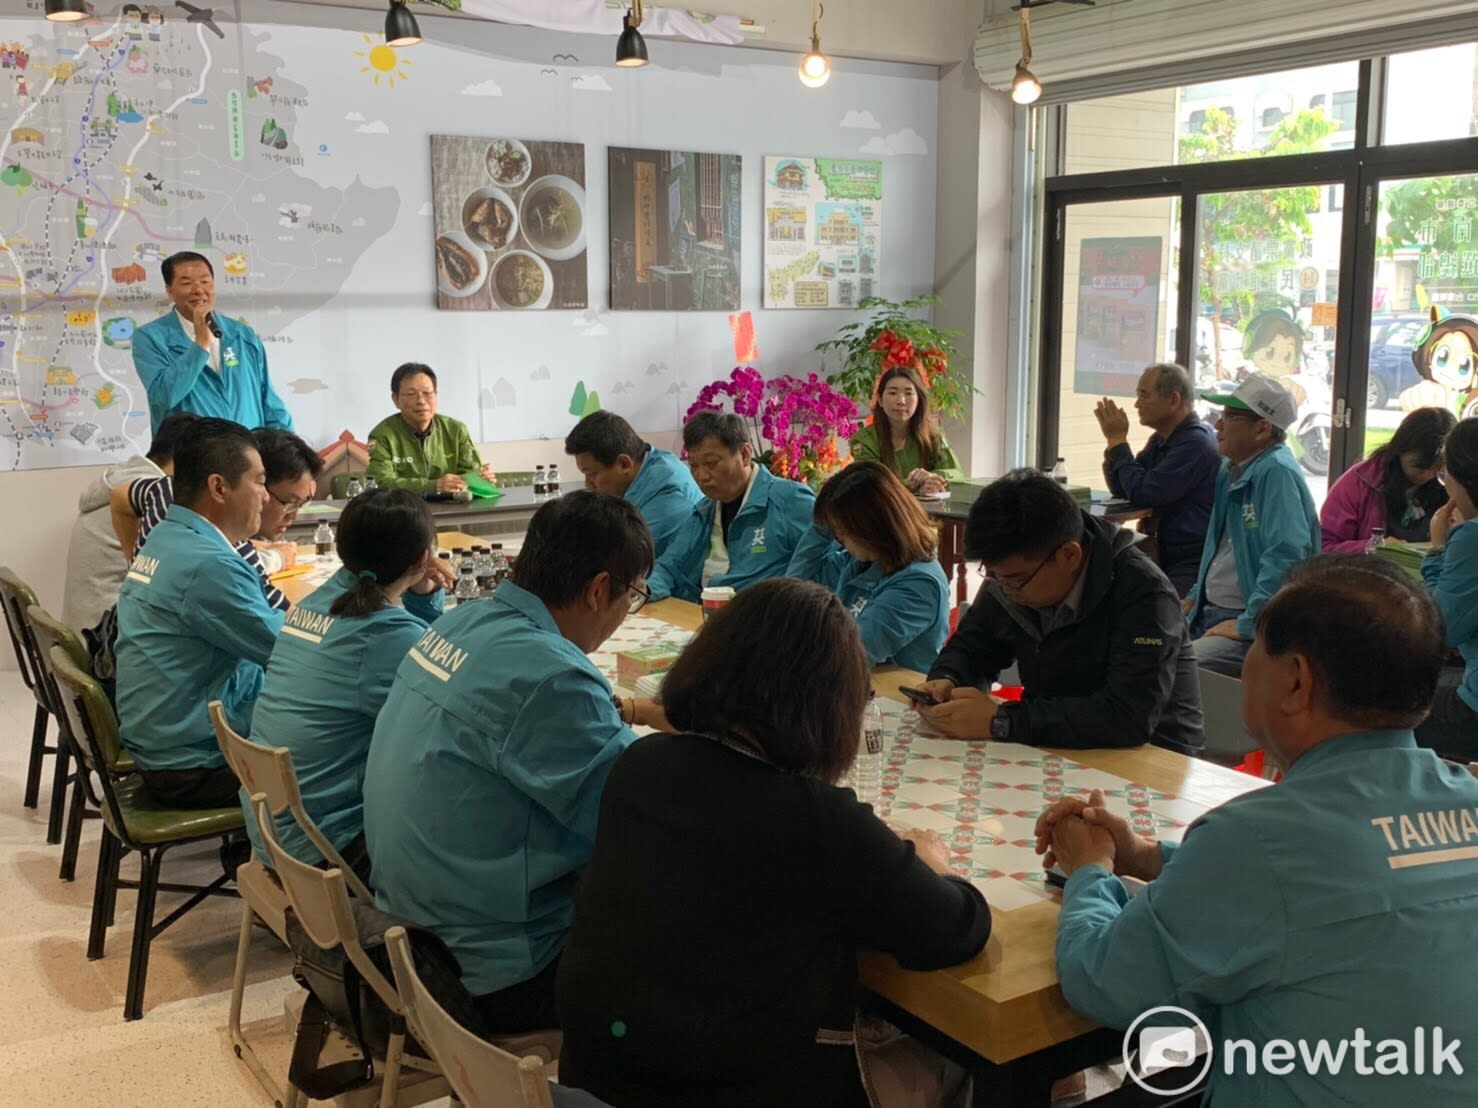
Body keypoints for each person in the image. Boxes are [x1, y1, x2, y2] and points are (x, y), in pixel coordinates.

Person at [1037, 556, 1478, 1106]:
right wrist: (1150, 857)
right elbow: (1328, 885)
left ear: (1295, 681)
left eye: (1256, 648)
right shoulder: (1466, 797)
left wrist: (1089, 870)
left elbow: (1105, 982)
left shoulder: (1257, 838)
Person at [556, 579, 991, 1108]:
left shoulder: (641, 764)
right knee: (975, 1062)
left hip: (599, 1077)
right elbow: (958, 929)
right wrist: (931, 863)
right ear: (829, 705)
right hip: (738, 1088)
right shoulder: (817, 819)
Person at [363, 492, 665, 1034]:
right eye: (634, 595)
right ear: (599, 590)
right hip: (489, 972)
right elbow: (642, 817)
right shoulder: (552, 676)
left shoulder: (461, 622)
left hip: (405, 931)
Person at [916, 470, 1203, 755]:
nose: (1005, 590)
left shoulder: (1143, 593)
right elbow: (974, 644)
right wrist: (949, 679)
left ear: (1069, 555)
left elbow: (1127, 716)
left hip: (1152, 759)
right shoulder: (1015, 577)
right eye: (993, 575)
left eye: (1015, 580)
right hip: (1055, 745)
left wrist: (1002, 721)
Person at [242, 489, 445, 886]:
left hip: (273, 831)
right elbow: (445, 693)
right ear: (423, 558)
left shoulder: (314, 603)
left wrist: (419, 596)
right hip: (327, 851)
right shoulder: (387, 634)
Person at [115, 419, 283, 809]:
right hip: (191, 765)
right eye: (259, 482)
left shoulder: (166, 536)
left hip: (161, 740)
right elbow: (290, 653)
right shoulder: (208, 565)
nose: (266, 497)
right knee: (342, 752)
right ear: (219, 488)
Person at [1184, 373, 1320, 678]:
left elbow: (1287, 555)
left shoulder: (1277, 472)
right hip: (1210, 611)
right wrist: (1194, 596)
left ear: (1262, 429)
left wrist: (1251, 622)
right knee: (1142, 647)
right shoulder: (1231, 469)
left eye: (1230, 416)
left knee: (1182, 669)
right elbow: (1220, 547)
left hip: (1251, 623)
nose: (1218, 424)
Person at [787, 462, 949, 671]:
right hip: (855, 681)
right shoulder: (860, 561)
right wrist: (823, 521)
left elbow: (849, 656)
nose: (839, 537)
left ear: (872, 526)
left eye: (841, 529)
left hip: (893, 689)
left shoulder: (919, 584)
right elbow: (796, 591)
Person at [647, 411, 815, 603]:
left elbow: (828, 564)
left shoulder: (791, 501)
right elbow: (669, 566)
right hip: (708, 613)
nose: (702, 476)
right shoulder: (704, 510)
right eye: (693, 466)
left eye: (711, 463)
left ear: (744, 454)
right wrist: (644, 590)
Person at [132, 251, 294, 435]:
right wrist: (200, 344)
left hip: (247, 450)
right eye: (187, 283)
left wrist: (290, 446)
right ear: (169, 290)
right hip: (190, 451)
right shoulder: (150, 338)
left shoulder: (241, 335)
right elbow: (164, 397)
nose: (198, 290)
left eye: (205, 281)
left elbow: (269, 401)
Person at [63, 412, 197, 633]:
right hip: (104, 635)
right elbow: (185, 570)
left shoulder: (123, 477)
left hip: (82, 627)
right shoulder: (156, 494)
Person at [1095, 363, 1220, 595]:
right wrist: (1114, 444)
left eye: (1144, 395)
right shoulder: (1161, 439)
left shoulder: (1195, 443)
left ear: (1173, 400)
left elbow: (1144, 493)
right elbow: (1123, 488)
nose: (1137, 404)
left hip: (1191, 561)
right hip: (1160, 552)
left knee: (1155, 607)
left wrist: (1117, 441)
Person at [1415, 418, 1478, 757]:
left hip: (1474, 711)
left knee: (1378, 710)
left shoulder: (1471, 538)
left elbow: (1440, 628)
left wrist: (1438, 547)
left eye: (1445, 474)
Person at [563, 410, 702, 560]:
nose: (588, 484)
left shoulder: (667, 497)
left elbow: (625, 561)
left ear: (624, 464)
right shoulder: (646, 466)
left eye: (592, 474)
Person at [1320, 406, 1455, 551]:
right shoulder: (1359, 483)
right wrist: (1374, 547)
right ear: (1399, 450)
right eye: (1420, 468)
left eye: (1438, 470)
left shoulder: (1453, 485)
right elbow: (1325, 546)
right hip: (1369, 565)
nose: (1428, 476)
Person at [365, 362, 494, 493]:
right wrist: (433, 486)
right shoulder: (382, 435)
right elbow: (381, 482)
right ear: (396, 399)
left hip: (451, 504)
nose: (421, 401)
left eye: (427, 393)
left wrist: (479, 478)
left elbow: (469, 474)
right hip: (403, 505)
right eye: (411, 394)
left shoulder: (456, 430)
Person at [846, 363, 962, 495]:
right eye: (893, 393)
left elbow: (957, 474)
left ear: (919, 400)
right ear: (880, 400)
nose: (901, 401)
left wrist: (931, 477)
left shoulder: (933, 434)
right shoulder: (864, 441)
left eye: (908, 393)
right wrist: (911, 485)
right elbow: (871, 485)